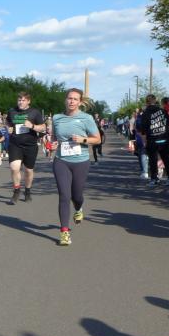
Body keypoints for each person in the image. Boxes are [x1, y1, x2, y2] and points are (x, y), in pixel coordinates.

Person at [51, 88, 101, 246]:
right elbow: (54, 137)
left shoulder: (86, 118)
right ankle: (64, 232)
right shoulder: (57, 118)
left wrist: (83, 140)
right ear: (65, 100)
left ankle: (78, 209)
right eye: (69, 98)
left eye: (75, 99)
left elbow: (97, 139)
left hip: (81, 162)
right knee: (64, 195)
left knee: (76, 196)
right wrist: (53, 143)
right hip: (61, 160)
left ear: (80, 102)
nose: (71, 101)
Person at [6, 91, 46, 203]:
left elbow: (43, 127)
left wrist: (32, 126)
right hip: (15, 144)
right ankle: (16, 191)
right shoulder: (12, 111)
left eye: (23, 100)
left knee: (28, 170)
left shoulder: (35, 112)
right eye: (19, 100)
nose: (20, 102)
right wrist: (8, 128)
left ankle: (27, 191)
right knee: (14, 168)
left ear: (28, 101)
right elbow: (7, 122)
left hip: (30, 145)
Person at [139, 94, 169, 187]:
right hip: (165, 139)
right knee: (166, 158)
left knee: (153, 160)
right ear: (155, 101)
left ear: (147, 102)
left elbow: (143, 130)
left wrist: (145, 142)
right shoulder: (163, 111)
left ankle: (154, 179)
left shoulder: (145, 113)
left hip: (153, 140)